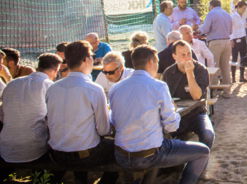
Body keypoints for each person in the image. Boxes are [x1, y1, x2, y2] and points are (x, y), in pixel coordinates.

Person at [110, 46, 209, 184]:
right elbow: (172, 126)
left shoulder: (116, 88)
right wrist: (173, 112)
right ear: (151, 62)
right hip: (150, 155)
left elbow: (113, 121)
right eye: (157, 62)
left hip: (121, 155)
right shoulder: (158, 86)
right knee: (203, 151)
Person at [46, 41, 118, 184]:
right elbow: (104, 130)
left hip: (56, 153)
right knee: (120, 150)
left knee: (83, 141)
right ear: (86, 59)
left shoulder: (52, 88)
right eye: (92, 55)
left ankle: (80, 179)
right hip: (84, 156)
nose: (93, 59)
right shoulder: (94, 89)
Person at [0, 53, 61, 165]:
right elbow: (55, 121)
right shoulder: (50, 86)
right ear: (55, 70)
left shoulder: (12, 83)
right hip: (34, 150)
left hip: (6, 149)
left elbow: (2, 117)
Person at [162, 41, 214, 149]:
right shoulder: (169, 73)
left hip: (197, 113)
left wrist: (190, 73)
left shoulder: (200, 69)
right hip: (176, 115)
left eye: (189, 54)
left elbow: (197, 96)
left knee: (208, 135)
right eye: (183, 55)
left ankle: (199, 161)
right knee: (163, 137)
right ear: (174, 56)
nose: (187, 58)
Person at [199, 0, 233, 98]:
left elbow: (205, 29)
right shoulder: (227, 14)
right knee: (225, 67)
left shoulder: (211, 13)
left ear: (211, 5)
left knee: (213, 66)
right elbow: (231, 31)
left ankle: (213, 92)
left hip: (215, 42)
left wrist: (198, 30)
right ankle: (227, 91)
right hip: (227, 41)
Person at [230, 1, 247, 83]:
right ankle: (233, 77)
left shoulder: (243, 16)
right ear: (238, 7)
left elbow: (243, 26)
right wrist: (231, 39)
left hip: (243, 37)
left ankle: (242, 76)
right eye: (243, 8)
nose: (244, 10)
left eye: (245, 9)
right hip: (235, 38)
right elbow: (229, 28)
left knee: (244, 58)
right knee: (234, 58)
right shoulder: (233, 16)